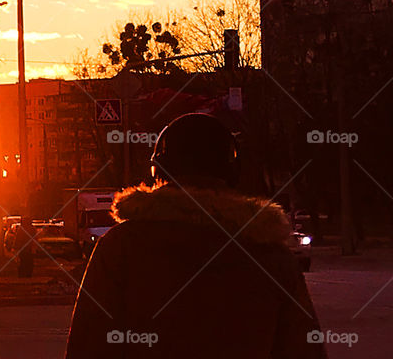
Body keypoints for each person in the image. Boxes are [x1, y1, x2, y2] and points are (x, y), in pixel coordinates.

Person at [66, 113, 327, 358]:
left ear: (159, 171)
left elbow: (88, 344)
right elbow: (303, 349)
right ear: (232, 172)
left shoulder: (121, 247)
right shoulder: (269, 254)